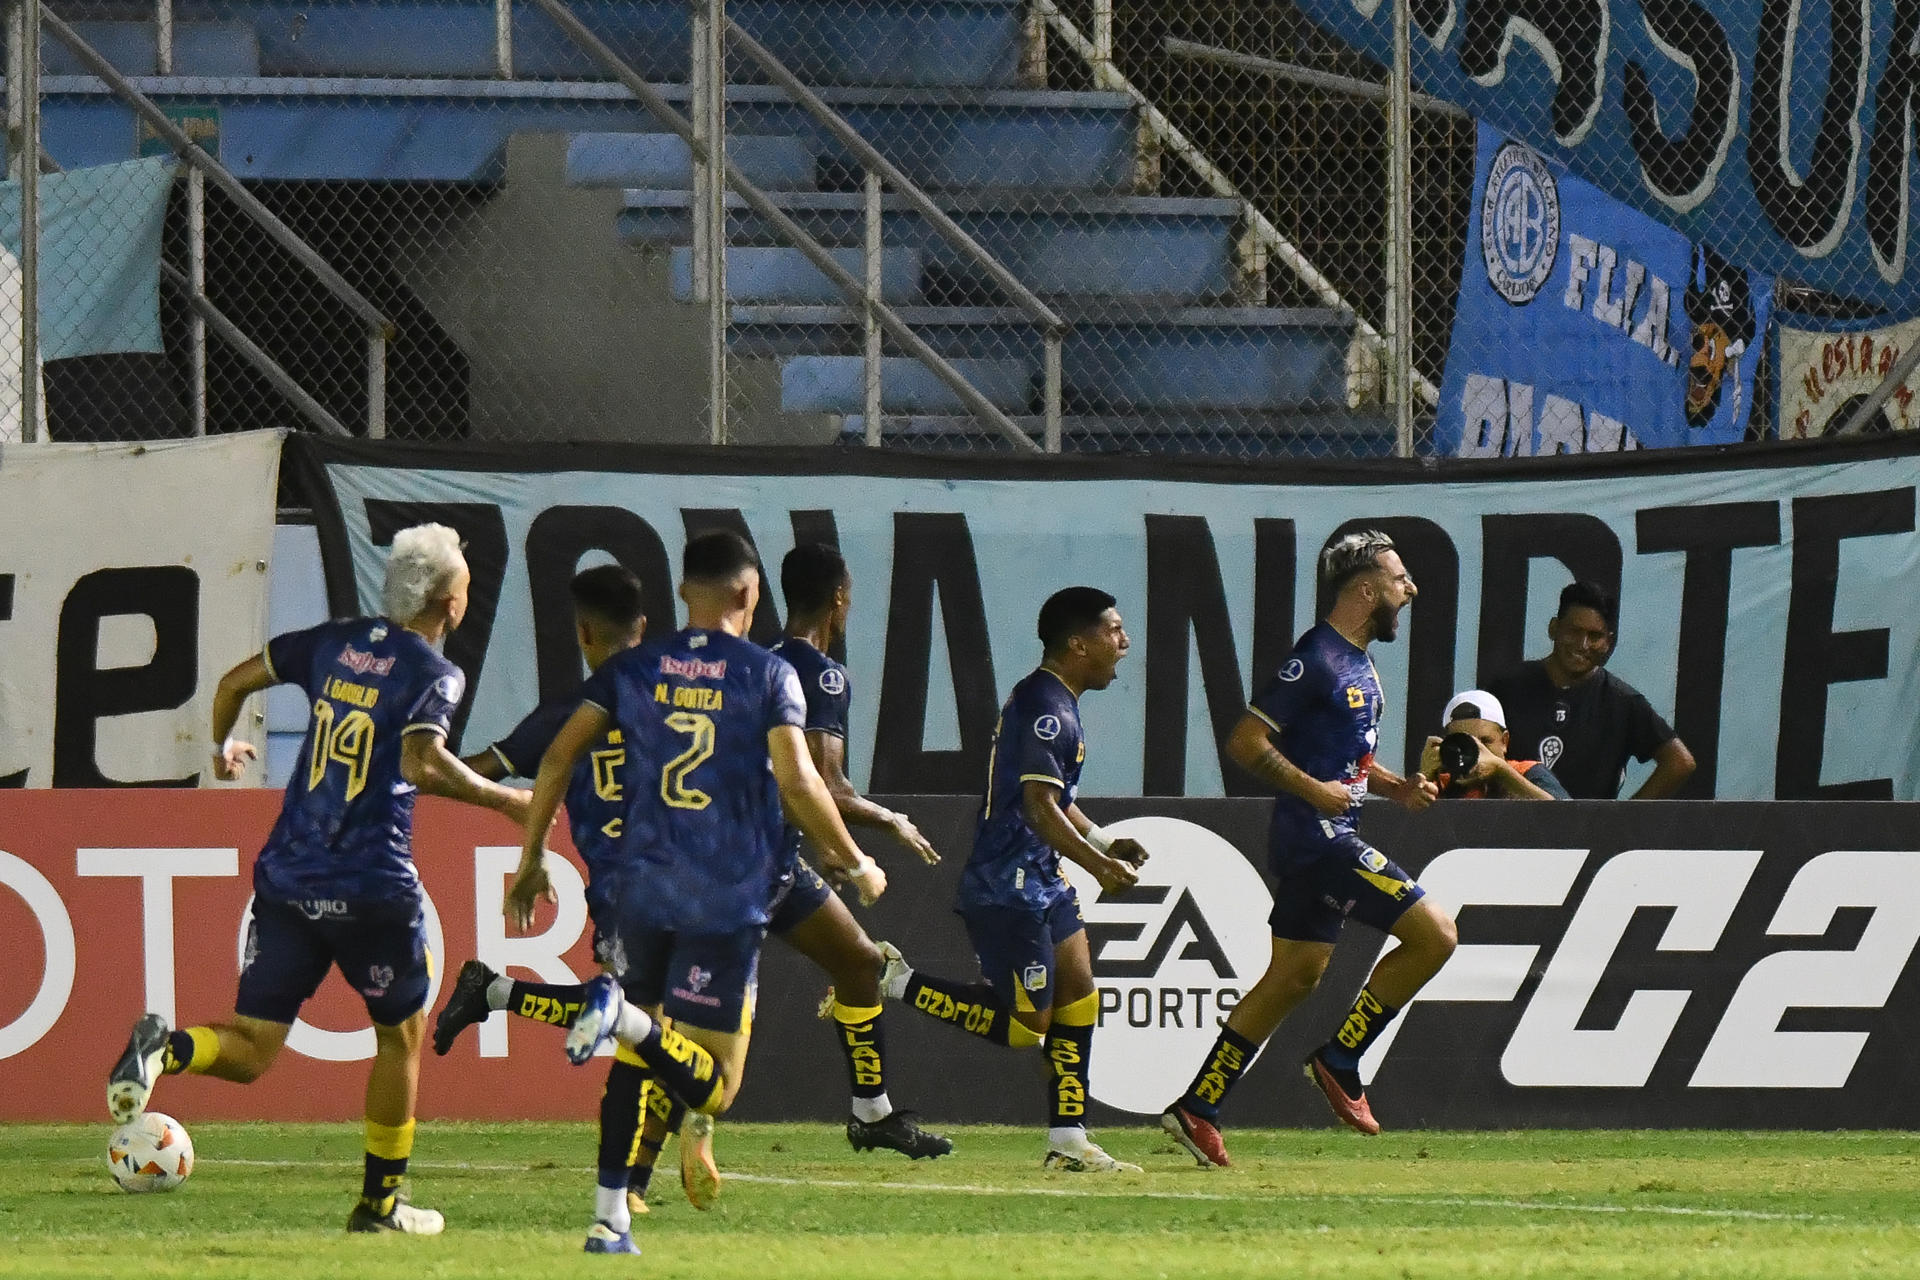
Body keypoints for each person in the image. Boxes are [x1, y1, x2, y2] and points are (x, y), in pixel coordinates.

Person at [107, 523, 533, 1234]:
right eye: (463, 588)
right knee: (399, 1038)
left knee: (250, 1050)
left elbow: (235, 681)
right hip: (369, 883)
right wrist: (507, 801)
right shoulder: (435, 674)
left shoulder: (333, 643)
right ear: (450, 603)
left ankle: (164, 1047)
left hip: (288, 876)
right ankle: (379, 1205)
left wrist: (221, 745)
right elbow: (424, 765)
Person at [507, 531, 886, 1246]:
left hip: (644, 889)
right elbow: (800, 780)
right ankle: (623, 1024)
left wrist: (531, 858)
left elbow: (556, 758)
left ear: (683, 592)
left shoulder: (637, 667)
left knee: (633, 1062)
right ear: (750, 595)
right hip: (723, 893)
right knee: (713, 1079)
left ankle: (609, 1217)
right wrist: (855, 860)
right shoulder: (768, 674)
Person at [1159, 530, 1456, 1169]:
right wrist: (1311, 790)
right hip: (1319, 840)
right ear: (1368, 589)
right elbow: (1244, 741)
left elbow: (1349, 760)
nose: (1412, 589)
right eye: (1401, 579)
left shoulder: (1360, 662)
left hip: (1322, 835)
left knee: (1295, 977)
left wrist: (1398, 789)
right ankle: (1341, 1058)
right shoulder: (1316, 659)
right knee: (1436, 935)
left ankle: (1198, 1107)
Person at [428, 563, 660, 1253]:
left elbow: (479, 772)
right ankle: (624, 1193)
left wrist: (413, 766)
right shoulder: (678, 708)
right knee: (648, 1030)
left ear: (582, 633)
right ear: (644, 629)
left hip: (624, 888)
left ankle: (497, 992)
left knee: (651, 1026)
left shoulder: (561, 718)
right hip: (670, 886)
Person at [879, 587, 1150, 1172]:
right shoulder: (1048, 709)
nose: (1124, 644)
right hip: (1009, 885)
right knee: (1028, 1029)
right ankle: (898, 982)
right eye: (1114, 631)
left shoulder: (1054, 699)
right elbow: (1037, 806)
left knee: (1080, 994)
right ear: (1079, 644)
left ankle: (1069, 1142)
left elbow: (1056, 799)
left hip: (1041, 877)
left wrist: (1102, 841)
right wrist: (1099, 866)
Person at [1487, 581, 1696, 799]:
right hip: (1510, 828)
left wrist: (1624, 819)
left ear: (1609, 642)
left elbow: (1680, 761)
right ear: (1554, 628)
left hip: (1585, 831)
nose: (1583, 644)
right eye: (1574, 631)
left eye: (1595, 636)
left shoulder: (1622, 702)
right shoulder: (1508, 687)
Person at [1419, 689, 1569, 800]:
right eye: (1465, 743)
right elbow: (1407, 833)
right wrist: (1424, 777)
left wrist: (1501, 771)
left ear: (1504, 741)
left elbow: (1570, 818)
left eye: (1485, 741)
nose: (1477, 751)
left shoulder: (1527, 772)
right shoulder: (1439, 786)